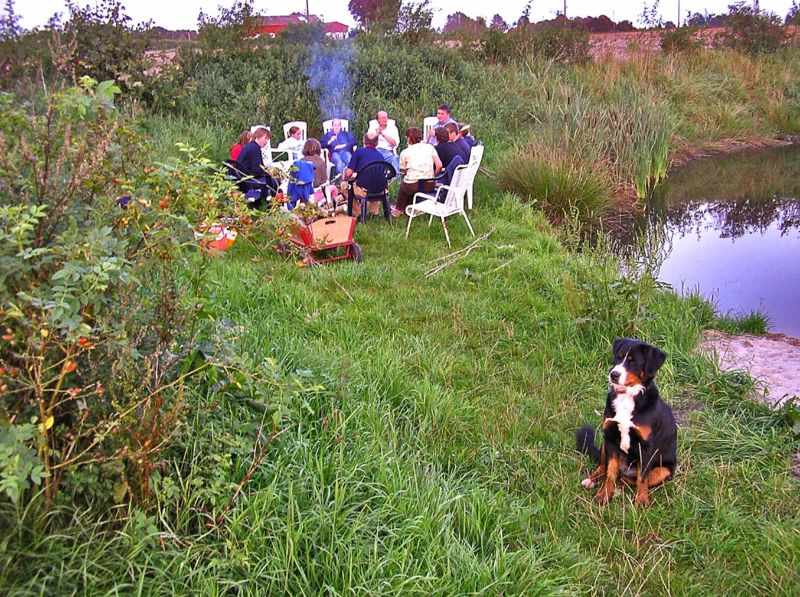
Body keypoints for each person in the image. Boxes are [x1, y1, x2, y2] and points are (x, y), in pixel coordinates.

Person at [396, 126, 442, 215]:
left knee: (404, 186)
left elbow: (403, 171)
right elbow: (439, 165)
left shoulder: (405, 152)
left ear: (408, 139)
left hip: (412, 185)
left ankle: (399, 209)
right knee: (408, 183)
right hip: (429, 184)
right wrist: (434, 176)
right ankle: (411, 207)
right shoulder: (430, 147)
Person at [342, 132, 387, 218]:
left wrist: (345, 178)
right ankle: (375, 212)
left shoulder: (359, 152)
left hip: (364, 191)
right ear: (377, 143)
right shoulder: (380, 155)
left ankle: (358, 214)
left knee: (344, 186)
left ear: (364, 141)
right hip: (381, 190)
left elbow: (348, 173)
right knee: (374, 180)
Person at [237, 127, 278, 206]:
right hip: (248, 180)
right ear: (258, 136)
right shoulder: (254, 148)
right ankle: (268, 204)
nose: (266, 141)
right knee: (276, 181)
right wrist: (269, 173)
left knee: (272, 179)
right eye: (265, 138)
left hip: (243, 176)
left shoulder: (249, 146)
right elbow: (257, 169)